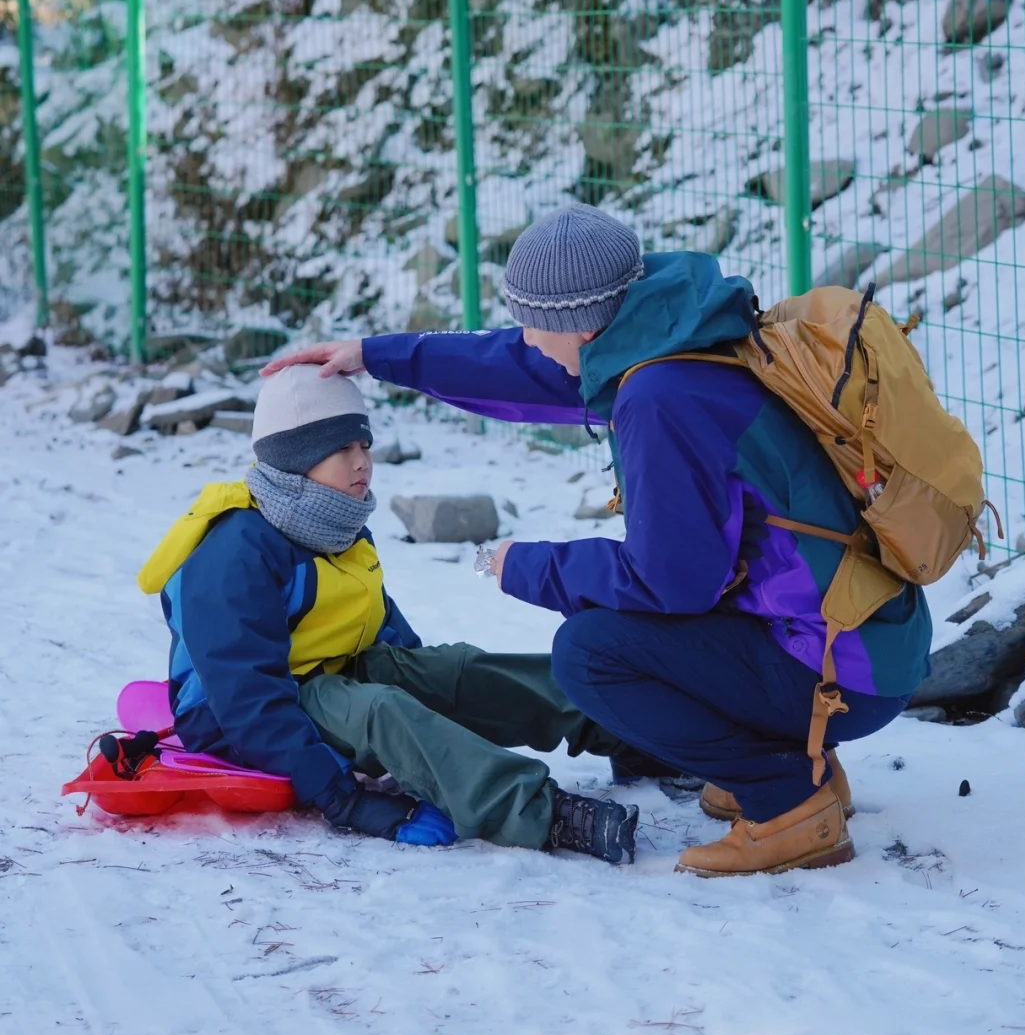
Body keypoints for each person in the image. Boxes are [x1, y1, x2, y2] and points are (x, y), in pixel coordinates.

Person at [264, 204, 933, 878]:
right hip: (860, 634)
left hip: (840, 668)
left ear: (580, 324)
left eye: (533, 322)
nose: (525, 337)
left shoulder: (660, 397)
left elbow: (670, 581)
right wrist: (377, 357)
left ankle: (789, 803)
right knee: (634, 626)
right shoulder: (681, 328)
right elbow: (523, 365)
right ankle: (800, 766)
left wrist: (523, 566)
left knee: (591, 655)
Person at [136, 363, 640, 865]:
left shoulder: (334, 522)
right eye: (342, 450)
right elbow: (247, 698)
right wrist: (345, 800)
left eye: (364, 446)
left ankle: (630, 726)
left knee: (459, 669)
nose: (362, 464)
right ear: (295, 458)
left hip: (328, 674)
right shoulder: (235, 554)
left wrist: (436, 693)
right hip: (244, 718)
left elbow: (378, 621)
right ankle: (541, 812)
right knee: (384, 712)